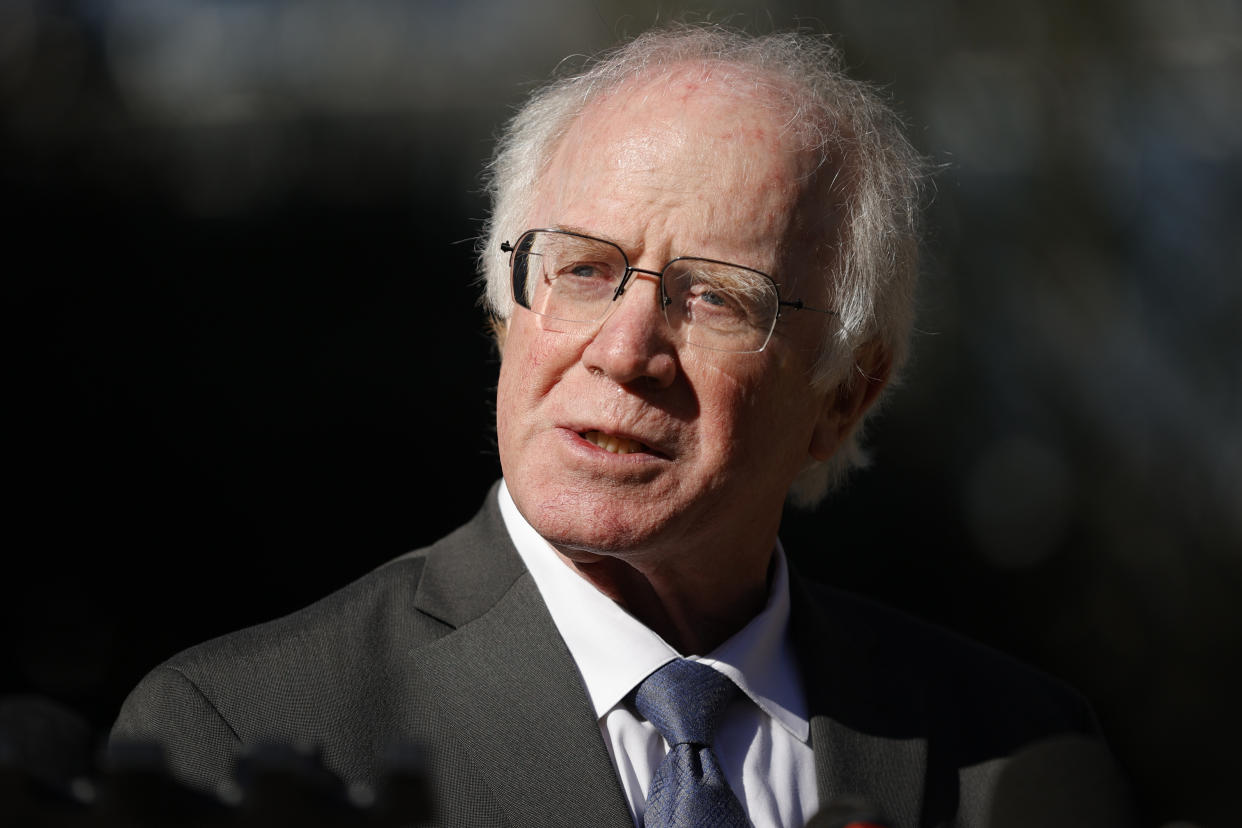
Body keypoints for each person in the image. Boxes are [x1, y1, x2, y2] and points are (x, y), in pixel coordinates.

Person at [109, 23, 1118, 827]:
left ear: (845, 395)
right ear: (507, 313)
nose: (625, 348)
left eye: (717, 297)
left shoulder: (1013, 757)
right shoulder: (244, 736)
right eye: (583, 271)